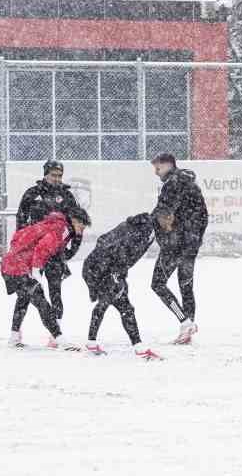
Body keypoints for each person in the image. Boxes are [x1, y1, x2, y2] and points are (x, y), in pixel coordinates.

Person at [3, 208, 88, 349]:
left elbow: (19, 237)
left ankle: (14, 337)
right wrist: (36, 272)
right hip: (18, 266)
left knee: (24, 299)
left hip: (11, 264)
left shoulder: (50, 224)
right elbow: (41, 249)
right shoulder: (60, 229)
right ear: (74, 220)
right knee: (42, 303)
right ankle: (61, 340)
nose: (80, 232)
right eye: (81, 226)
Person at [83, 212, 160, 360]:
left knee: (113, 304)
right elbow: (118, 250)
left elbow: (104, 241)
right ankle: (139, 348)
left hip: (98, 267)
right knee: (121, 306)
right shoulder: (143, 230)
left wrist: (118, 273)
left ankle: (92, 342)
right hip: (101, 269)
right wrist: (115, 274)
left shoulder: (139, 227)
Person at [149, 153, 207, 345]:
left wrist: (159, 231)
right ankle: (188, 327)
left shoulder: (172, 184)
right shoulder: (191, 183)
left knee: (158, 283)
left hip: (174, 245)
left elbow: (162, 213)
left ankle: (185, 322)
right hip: (191, 245)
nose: (156, 173)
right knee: (186, 286)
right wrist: (195, 240)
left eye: (158, 168)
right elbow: (204, 216)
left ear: (168, 165)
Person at [17, 159, 85, 321]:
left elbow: (77, 223)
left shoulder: (67, 196)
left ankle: (57, 328)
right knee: (27, 289)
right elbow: (21, 220)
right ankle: (16, 329)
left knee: (55, 291)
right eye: (53, 175)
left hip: (55, 252)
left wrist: (72, 249)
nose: (57, 179)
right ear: (45, 174)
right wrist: (21, 246)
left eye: (60, 175)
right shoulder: (32, 194)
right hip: (34, 250)